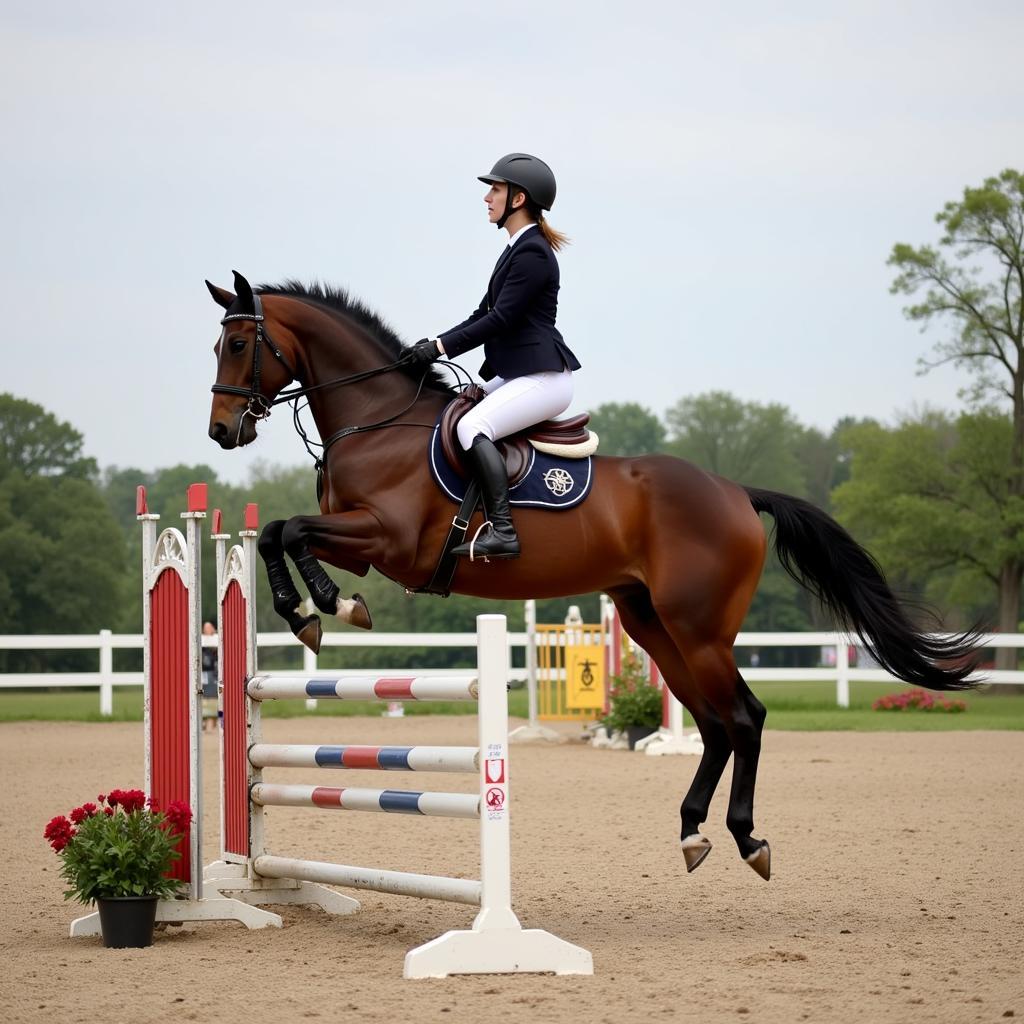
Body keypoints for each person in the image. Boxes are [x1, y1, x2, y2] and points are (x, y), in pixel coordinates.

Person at [409, 153, 581, 560]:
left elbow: (501, 319)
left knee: (472, 428)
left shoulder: (533, 253)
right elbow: (482, 314)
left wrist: (439, 350)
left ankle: (503, 530)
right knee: (458, 405)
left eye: (496, 189)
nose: (487, 197)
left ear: (518, 199)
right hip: (520, 373)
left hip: (543, 377)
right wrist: (431, 344)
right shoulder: (516, 248)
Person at [201, 621, 218, 731]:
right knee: (203, 698)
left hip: (215, 673)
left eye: (209, 627)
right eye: (205, 628)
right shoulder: (201, 641)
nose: (207, 629)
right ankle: (203, 721)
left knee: (216, 698)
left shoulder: (217, 641)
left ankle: (216, 721)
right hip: (204, 673)